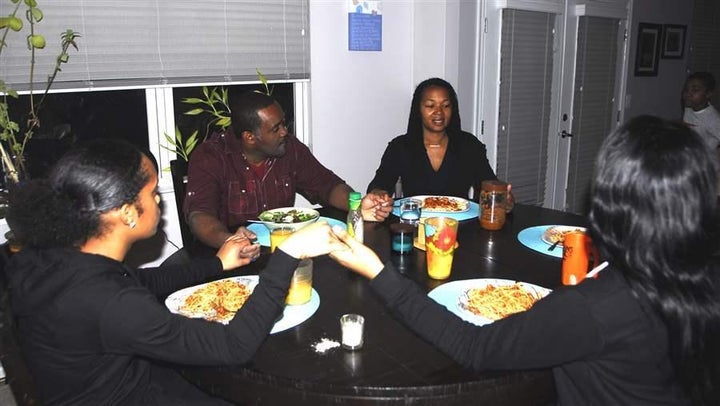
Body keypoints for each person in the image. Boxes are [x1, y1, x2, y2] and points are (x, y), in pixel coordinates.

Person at [330, 115, 720, 405]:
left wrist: (377, 271)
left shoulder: (600, 307)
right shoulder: (703, 277)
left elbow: (474, 348)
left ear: (611, 203)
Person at [4, 139, 347, 405]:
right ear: (126, 213)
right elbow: (232, 346)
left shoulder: (57, 258)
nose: (160, 201)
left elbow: (143, 281)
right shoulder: (109, 302)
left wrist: (218, 264)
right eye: (152, 193)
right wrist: (287, 255)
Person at [184, 91, 392, 251]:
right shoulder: (211, 157)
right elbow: (200, 216)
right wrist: (230, 240)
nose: (285, 132)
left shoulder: (289, 148)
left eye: (284, 124)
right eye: (276, 129)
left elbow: (326, 185)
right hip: (229, 257)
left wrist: (355, 206)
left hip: (284, 252)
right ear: (250, 137)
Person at [367, 77, 512, 205]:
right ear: (418, 110)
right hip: (416, 225)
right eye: (430, 105)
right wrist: (378, 194)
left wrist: (503, 199)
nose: (439, 112)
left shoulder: (470, 146)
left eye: (446, 105)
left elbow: (489, 185)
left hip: (461, 227)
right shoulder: (400, 147)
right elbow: (380, 183)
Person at [682, 71, 720, 151]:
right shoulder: (688, 108)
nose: (688, 93)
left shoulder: (713, 119)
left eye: (695, 90)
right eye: (686, 89)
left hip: (704, 160)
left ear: (708, 94)